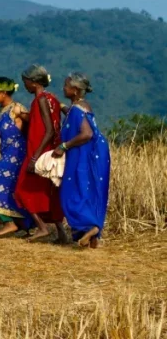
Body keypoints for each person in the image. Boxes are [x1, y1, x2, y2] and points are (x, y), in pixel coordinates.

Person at [52, 72, 110, 248]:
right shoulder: (82, 106)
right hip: (95, 153)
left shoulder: (77, 109)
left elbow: (86, 133)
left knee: (73, 191)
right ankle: (92, 237)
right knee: (88, 190)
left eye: (66, 86)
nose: (63, 88)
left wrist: (64, 146)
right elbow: (73, 116)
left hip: (83, 154)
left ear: (75, 90)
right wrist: (60, 105)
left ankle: (88, 226)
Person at [14, 64, 69, 243]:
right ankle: (61, 233)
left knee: (21, 190)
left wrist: (35, 157)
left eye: (26, 82)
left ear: (35, 82)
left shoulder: (41, 100)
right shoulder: (51, 98)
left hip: (40, 152)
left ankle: (42, 227)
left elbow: (48, 131)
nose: (25, 86)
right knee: (49, 192)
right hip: (50, 152)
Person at [0, 73, 33, 236]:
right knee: (10, 189)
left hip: (17, 154)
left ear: (4, 93)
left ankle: (10, 223)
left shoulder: (17, 109)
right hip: (6, 153)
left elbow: (34, 124)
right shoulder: (3, 111)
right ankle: (22, 224)